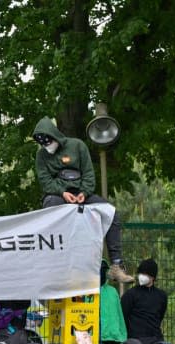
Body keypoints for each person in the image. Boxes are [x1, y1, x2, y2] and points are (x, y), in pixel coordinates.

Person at [32, 116, 133, 283]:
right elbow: (45, 181)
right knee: (51, 207)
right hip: (58, 196)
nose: (46, 146)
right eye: (43, 144)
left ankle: (116, 266)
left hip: (82, 195)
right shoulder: (41, 156)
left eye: (48, 141)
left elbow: (88, 174)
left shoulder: (77, 145)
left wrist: (83, 193)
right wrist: (63, 192)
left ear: (54, 136)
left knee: (111, 212)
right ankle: (55, 263)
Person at [120, 258, 168, 344]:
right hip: (136, 340)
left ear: (153, 277)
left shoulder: (161, 296)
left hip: (155, 338)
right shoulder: (130, 294)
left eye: (146, 273)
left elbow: (160, 316)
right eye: (140, 273)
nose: (142, 276)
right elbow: (123, 317)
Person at [99, 260, 127, 344]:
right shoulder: (87, 292)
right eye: (100, 270)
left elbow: (119, 315)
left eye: (103, 270)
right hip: (97, 337)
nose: (102, 273)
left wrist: (123, 335)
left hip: (114, 338)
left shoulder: (112, 291)